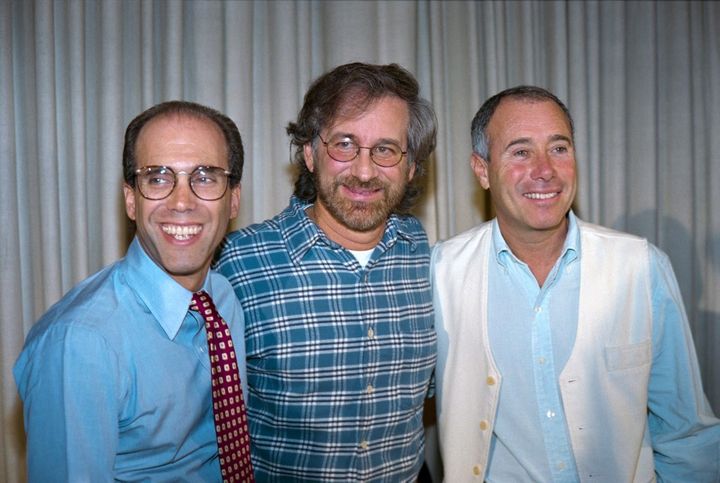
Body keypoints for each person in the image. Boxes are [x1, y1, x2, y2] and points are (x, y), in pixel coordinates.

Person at [432, 86, 720, 482]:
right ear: (481, 169)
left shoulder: (640, 267)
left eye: (559, 148)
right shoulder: (441, 272)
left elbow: (685, 433)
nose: (545, 169)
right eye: (520, 151)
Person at [214, 62, 438, 481]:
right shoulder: (238, 264)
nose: (365, 171)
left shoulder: (426, 260)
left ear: (411, 167)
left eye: (386, 149)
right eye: (344, 144)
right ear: (310, 152)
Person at [14, 101, 253, 481]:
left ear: (234, 198)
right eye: (158, 178)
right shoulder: (79, 344)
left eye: (205, 177)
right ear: (131, 199)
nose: (181, 201)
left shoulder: (223, 298)